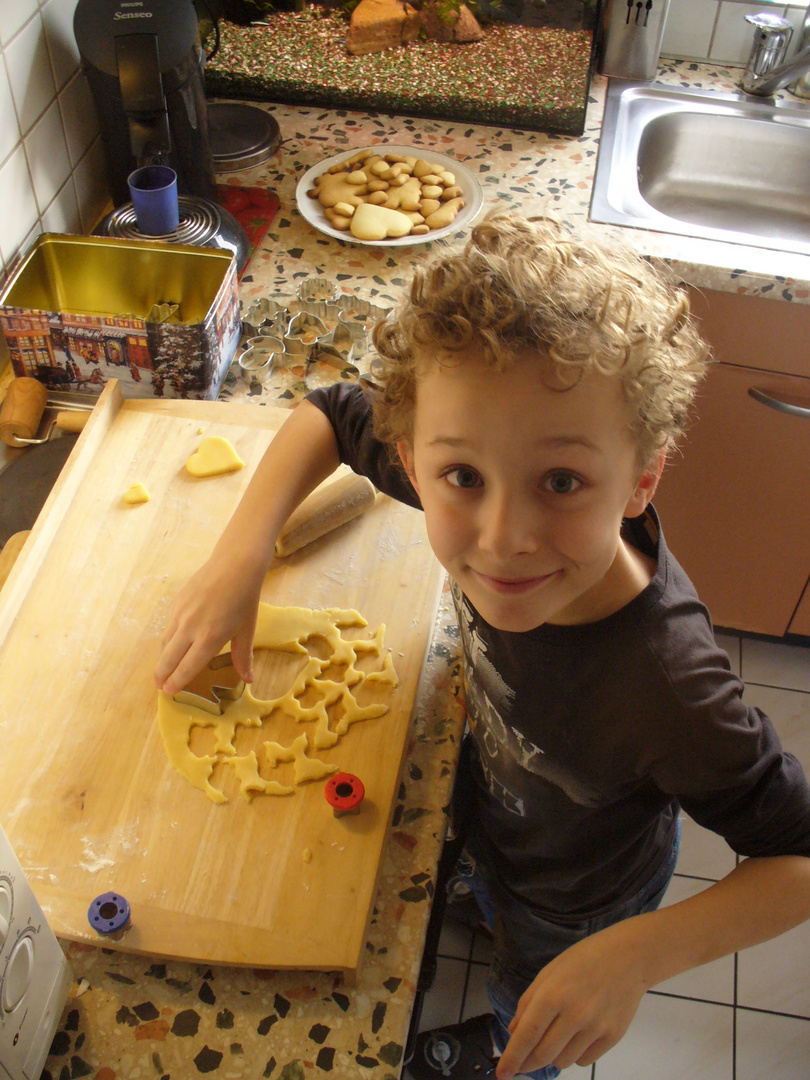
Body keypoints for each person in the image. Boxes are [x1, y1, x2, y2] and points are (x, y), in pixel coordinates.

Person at [155, 210, 810, 1080]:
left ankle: (503, 1043)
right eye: (460, 478)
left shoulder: (667, 687)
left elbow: (796, 857)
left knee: (533, 994)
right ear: (415, 459)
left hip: (581, 899)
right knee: (482, 883)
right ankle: (481, 897)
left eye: (563, 482)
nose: (503, 538)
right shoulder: (472, 457)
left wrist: (636, 955)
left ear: (640, 479)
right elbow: (324, 414)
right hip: (503, 812)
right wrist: (238, 555)